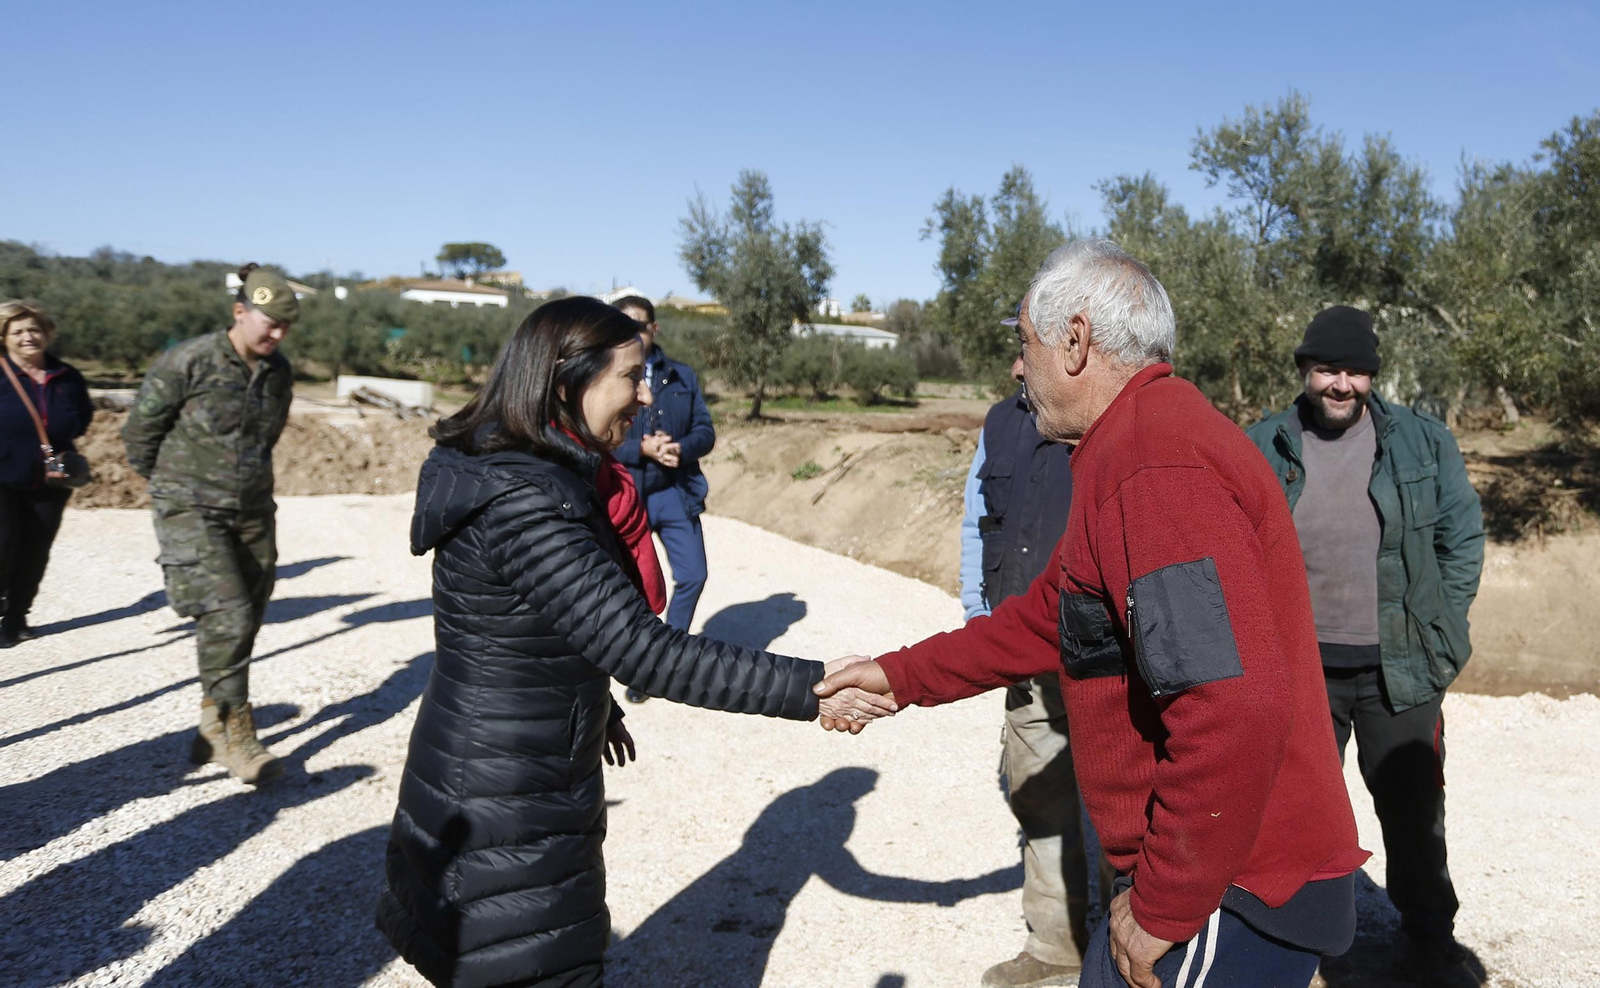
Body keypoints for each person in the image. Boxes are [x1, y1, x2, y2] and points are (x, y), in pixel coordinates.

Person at [817, 240, 1370, 988]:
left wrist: (1165, 907)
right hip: (1203, 878)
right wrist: (898, 677)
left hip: (1226, 891)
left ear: (1075, 342)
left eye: (1026, 344)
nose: (1020, 368)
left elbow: (1231, 706)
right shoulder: (1131, 443)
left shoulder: (1155, 465)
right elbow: (1053, 614)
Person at [374, 296, 893, 988]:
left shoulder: (534, 470)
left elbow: (541, 626)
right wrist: (815, 686)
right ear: (568, 380)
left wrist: (593, 701)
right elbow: (647, 650)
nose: (646, 394)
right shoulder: (524, 500)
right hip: (505, 795)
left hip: (517, 769)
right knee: (531, 965)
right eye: (631, 376)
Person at [1246, 306, 1485, 986]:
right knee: (1294, 813)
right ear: (1304, 372)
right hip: (1300, 669)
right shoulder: (1264, 443)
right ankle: (1291, 940)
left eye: (1354, 371)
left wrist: (1442, 622)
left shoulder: (1422, 441)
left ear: (1371, 376)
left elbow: (1461, 540)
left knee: (1413, 814)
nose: (1341, 384)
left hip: (1400, 670)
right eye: (1327, 369)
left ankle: (1431, 943)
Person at [122, 264, 298, 785]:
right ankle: (235, 734)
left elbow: (268, 436)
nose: (277, 335)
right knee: (228, 615)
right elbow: (139, 436)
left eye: (286, 328)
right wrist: (176, 490)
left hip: (251, 511)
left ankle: (209, 719)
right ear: (239, 312)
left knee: (250, 612)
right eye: (269, 323)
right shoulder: (189, 361)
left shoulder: (279, 371)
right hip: (190, 508)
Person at [961, 307, 1096, 988]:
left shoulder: (1114, 422)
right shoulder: (1001, 421)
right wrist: (978, 620)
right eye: (1017, 349)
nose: (1017, 365)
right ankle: (1057, 947)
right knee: (1038, 797)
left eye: (1027, 348)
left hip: (1112, 660)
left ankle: (1147, 950)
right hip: (1027, 650)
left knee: (1135, 806)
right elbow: (977, 521)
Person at [610, 295, 715, 705]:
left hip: (675, 490)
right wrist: (641, 450)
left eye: (637, 325)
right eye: (621, 326)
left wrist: (680, 449)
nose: (631, 334)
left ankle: (665, 663)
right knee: (631, 585)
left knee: (693, 575)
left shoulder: (682, 377)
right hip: (627, 490)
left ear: (654, 329)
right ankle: (634, 663)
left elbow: (705, 431)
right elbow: (594, 438)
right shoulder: (605, 376)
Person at [0, 300, 94, 647]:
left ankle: (17, 615)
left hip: (52, 479)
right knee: (3, 543)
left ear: (47, 333)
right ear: (4, 337)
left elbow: (83, 416)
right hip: (3, 475)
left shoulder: (67, 376)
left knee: (36, 548)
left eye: (34, 329)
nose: (28, 337)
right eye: (19, 331)